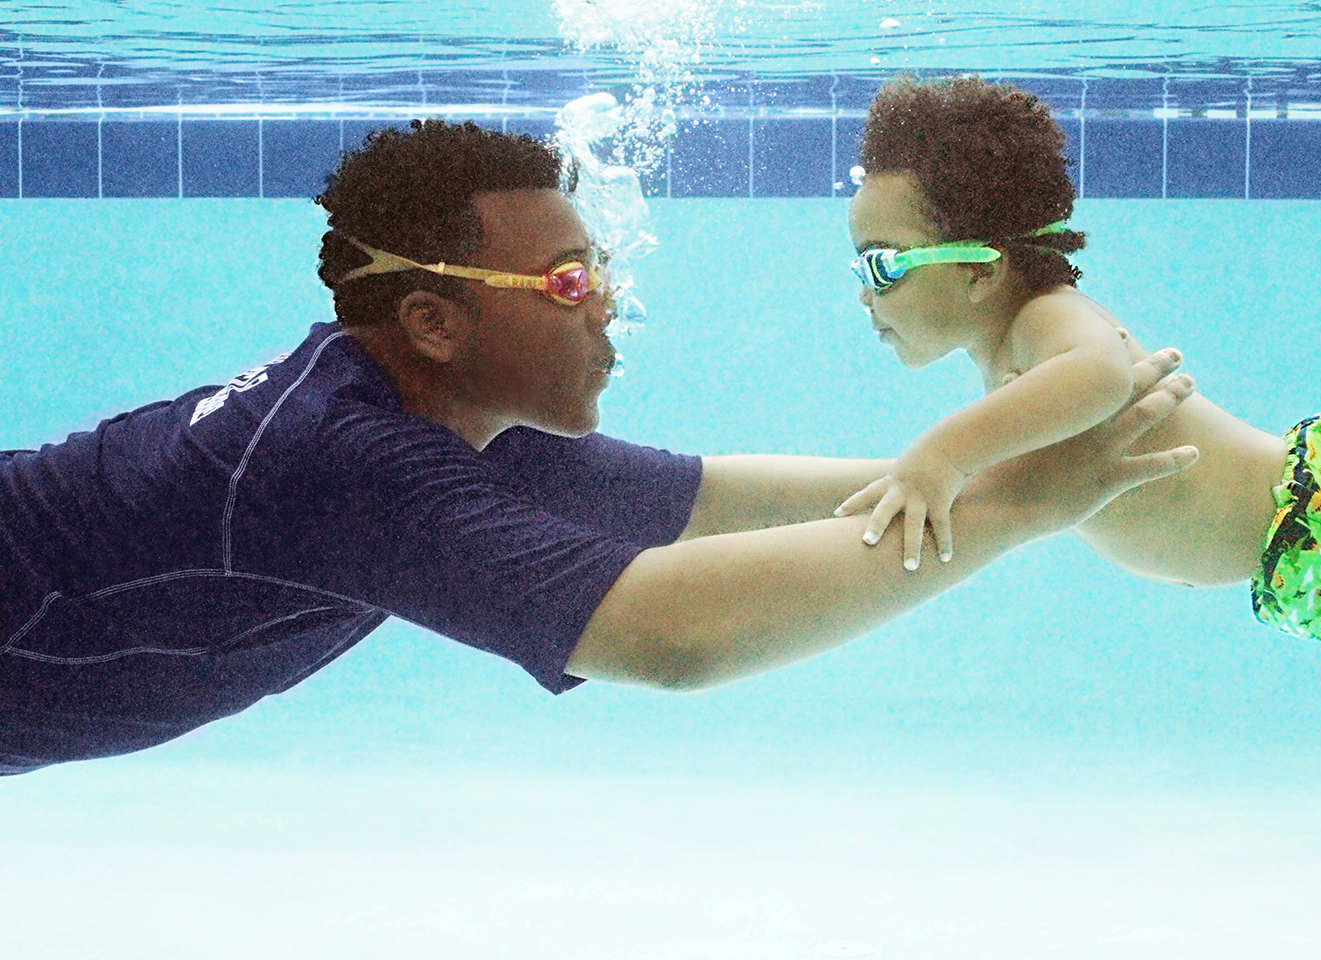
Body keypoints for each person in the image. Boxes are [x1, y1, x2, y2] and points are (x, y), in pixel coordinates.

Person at [0, 120, 1197, 775]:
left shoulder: (423, 413)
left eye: (602, 268)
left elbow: (706, 500)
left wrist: (1004, 473)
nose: (610, 302)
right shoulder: (345, 462)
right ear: (433, 321)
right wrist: (1019, 511)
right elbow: (669, 637)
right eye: (570, 280)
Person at [837, 75, 1321, 655]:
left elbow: (1101, 375)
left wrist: (942, 456)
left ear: (980, 270)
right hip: (1294, 569)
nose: (864, 293)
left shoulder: (1045, 318)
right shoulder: (1007, 353)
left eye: (882, 266)